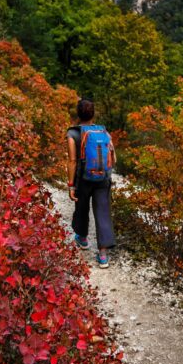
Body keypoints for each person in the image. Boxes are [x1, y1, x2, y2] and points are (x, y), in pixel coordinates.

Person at [67, 98, 116, 268]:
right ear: (93, 114)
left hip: (84, 179)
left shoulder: (73, 134)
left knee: (81, 207)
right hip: (103, 178)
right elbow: (113, 158)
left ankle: (83, 238)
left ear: (78, 114)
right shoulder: (104, 132)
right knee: (102, 211)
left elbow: (72, 161)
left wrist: (71, 185)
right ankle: (103, 255)